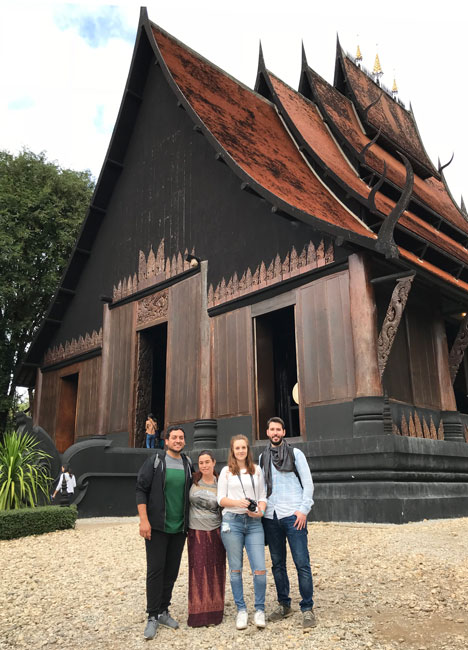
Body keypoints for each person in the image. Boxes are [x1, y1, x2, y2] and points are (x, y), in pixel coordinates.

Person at [136, 425, 193, 640]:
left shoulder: (187, 463)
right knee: (156, 570)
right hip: (158, 527)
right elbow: (141, 489)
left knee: (171, 571)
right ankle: (152, 615)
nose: (178, 440)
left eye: (181, 437)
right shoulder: (155, 462)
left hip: (179, 528)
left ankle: (163, 610)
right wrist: (144, 521)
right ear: (166, 441)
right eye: (174, 437)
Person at [259, 417, 316, 629]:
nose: (275, 433)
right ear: (267, 432)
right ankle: (284, 604)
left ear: (283, 432)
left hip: (293, 514)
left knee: (301, 562)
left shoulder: (295, 454)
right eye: (271, 429)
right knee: (277, 563)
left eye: (278, 429)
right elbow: (261, 487)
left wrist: (303, 510)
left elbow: (308, 483)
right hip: (271, 515)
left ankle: (307, 608)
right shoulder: (262, 456)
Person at [217, 434, 267, 630]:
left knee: (260, 569)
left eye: (243, 448)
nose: (240, 451)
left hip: (254, 523)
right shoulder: (226, 472)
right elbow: (220, 499)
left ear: (248, 450)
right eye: (237, 448)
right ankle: (241, 610)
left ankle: (260, 609)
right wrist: (237, 503)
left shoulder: (257, 470)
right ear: (232, 450)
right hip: (232, 522)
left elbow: (262, 495)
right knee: (236, 569)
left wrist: (260, 511)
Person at [187, 450, 226, 627]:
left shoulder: (222, 483)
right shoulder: (193, 480)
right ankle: (198, 614)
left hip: (215, 530)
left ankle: (215, 612)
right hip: (196, 531)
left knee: (216, 568)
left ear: (214, 462)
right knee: (197, 569)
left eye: (207, 462)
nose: (204, 465)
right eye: (201, 462)